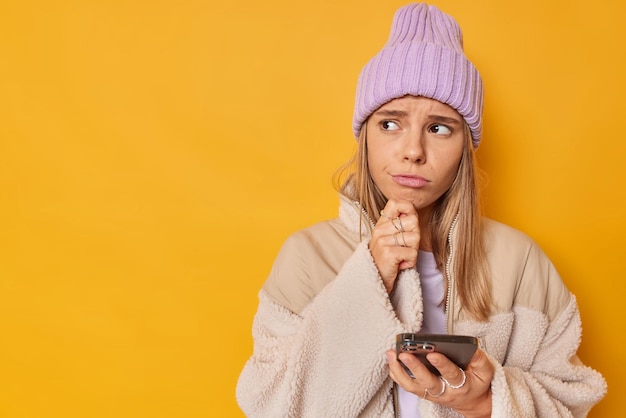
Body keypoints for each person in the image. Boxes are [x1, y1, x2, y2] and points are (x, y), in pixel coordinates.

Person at [236, 3, 607, 417]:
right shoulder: (307, 255)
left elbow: (571, 402)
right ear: (365, 137)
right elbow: (272, 407)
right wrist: (368, 278)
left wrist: (486, 401)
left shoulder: (520, 261)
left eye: (439, 128)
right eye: (390, 124)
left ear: (465, 146)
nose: (413, 151)